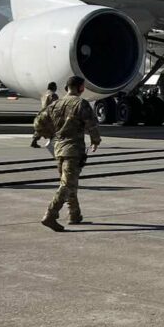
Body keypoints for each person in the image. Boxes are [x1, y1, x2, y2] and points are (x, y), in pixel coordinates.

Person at [33, 75, 101, 231]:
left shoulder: (56, 104)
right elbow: (91, 124)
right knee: (68, 183)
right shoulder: (80, 103)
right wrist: (95, 141)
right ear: (80, 88)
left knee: (69, 181)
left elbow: (38, 123)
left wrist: (49, 134)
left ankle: (74, 214)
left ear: (66, 88)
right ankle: (51, 214)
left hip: (59, 148)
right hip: (73, 148)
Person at [29, 82, 59, 148]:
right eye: (55, 86)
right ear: (53, 87)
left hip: (42, 113)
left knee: (40, 129)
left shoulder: (44, 94)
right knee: (53, 129)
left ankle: (34, 141)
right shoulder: (53, 95)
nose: (56, 88)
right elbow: (55, 105)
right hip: (49, 114)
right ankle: (52, 144)